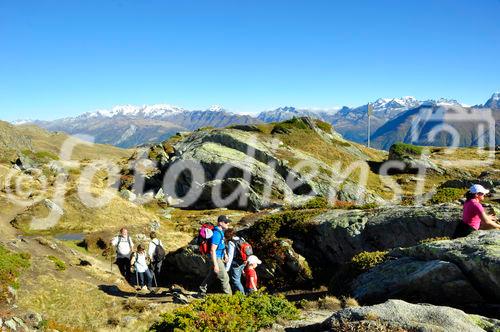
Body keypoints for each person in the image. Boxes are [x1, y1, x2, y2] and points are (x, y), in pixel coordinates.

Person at [199, 215, 232, 295]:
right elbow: (212, 250)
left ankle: (201, 290)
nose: (228, 224)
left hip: (219, 257)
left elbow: (221, 245)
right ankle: (230, 298)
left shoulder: (221, 232)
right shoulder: (216, 233)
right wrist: (216, 264)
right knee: (225, 278)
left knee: (212, 275)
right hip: (216, 258)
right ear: (220, 223)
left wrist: (225, 254)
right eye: (226, 222)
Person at [224, 228, 246, 294]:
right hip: (243, 262)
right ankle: (238, 292)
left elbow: (230, 256)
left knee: (236, 280)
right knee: (239, 279)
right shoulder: (241, 239)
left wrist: (226, 269)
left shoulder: (231, 242)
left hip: (236, 264)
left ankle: (243, 295)